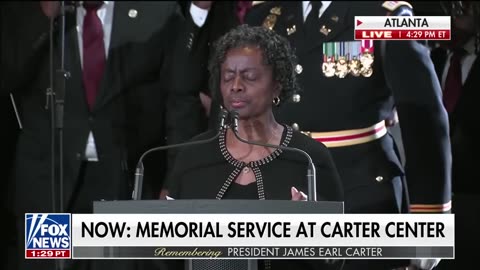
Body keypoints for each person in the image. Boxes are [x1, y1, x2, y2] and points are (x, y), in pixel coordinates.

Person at [244, 1, 452, 270]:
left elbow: (424, 120)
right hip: (280, 198)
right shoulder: (265, 16)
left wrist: (430, 218)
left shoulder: (387, 15)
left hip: (360, 198)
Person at [1, 1, 206, 270]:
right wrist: (45, 16)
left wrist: (175, 181)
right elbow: (8, 77)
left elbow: (181, 103)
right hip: (49, 184)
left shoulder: (158, 11)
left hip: (126, 182)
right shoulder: (30, 11)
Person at [166, 24, 344, 270]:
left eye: (249, 77)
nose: (236, 85)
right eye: (228, 76)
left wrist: (311, 234)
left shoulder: (308, 158)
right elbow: (165, 255)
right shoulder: (195, 155)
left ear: (277, 84)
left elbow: (336, 258)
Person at [432, 2, 479, 269]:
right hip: (430, 194)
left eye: (462, 11)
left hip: (472, 192)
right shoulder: (432, 59)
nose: (451, 18)